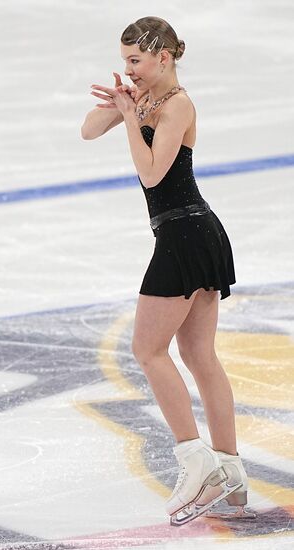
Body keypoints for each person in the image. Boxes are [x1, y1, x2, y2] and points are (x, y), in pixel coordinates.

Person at [81, 16, 257, 526]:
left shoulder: (176, 104)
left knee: (147, 350)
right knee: (198, 353)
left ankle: (196, 459)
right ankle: (231, 471)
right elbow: (88, 130)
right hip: (191, 232)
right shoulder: (146, 100)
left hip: (185, 233)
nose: (129, 70)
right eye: (124, 61)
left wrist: (132, 118)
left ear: (164, 57)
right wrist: (121, 106)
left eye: (135, 60)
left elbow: (153, 171)